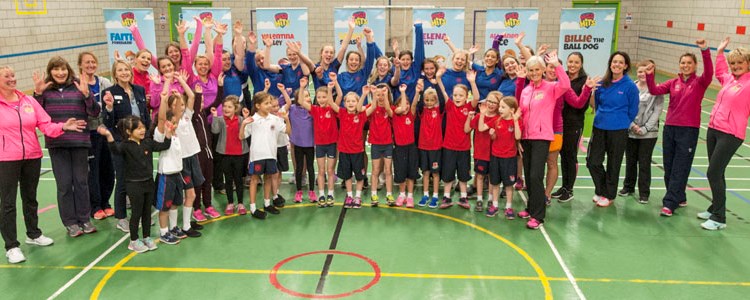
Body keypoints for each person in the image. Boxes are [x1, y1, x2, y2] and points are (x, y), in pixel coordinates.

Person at [0, 66, 85, 263]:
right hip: (6, 159)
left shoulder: (27, 101)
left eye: (13, 75)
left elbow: (45, 124)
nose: (12, 79)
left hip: (32, 155)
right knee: (7, 203)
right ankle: (11, 246)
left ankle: (33, 234)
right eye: (7, 77)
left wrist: (63, 126)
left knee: (30, 198)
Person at [33, 56, 100, 237]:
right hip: (57, 144)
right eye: (56, 69)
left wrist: (87, 95)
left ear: (68, 70)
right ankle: (70, 223)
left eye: (63, 69)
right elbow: (35, 116)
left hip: (79, 142)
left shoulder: (79, 86)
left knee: (81, 182)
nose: (60, 72)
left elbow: (95, 112)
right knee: (64, 185)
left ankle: (85, 219)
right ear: (50, 71)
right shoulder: (45, 90)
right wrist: (37, 94)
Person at [645, 39, 713, 214]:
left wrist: (705, 50)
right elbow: (654, 90)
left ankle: (670, 203)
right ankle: (679, 196)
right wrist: (649, 75)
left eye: (689, 63)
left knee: (680, 166)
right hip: (670, 129)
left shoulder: (700, 82)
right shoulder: (672, 82)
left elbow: (710, 71)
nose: (685, 65)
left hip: (688, 131)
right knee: (669, 165)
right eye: (683, 63)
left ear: (695, 65)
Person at [514, 50, 571, 229]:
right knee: (530, 177)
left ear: (543, 70)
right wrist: (519, 138)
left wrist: (558, 66)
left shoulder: (551, 88)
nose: (534, 73)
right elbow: (520, 112)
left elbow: (566, 85)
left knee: (535, 175)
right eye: (531, 70)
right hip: (526, 138)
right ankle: (531, 208)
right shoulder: (526, 90)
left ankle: (538, 216)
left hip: (542, 138)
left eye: (537, 70)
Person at [699, 37, 750, 230]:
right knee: (717, 173)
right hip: (714, 129)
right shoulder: (729, 79)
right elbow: (720, 71)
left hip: (731, 134)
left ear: (748, 64)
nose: (736, 66)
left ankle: (719, 218)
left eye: (740, 63)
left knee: (713, 172)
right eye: (733, 63)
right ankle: (715, 208)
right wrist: (720, 53)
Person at [101, 114, 171, 253]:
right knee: (136, 213)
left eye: (143, 127)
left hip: (148, 183)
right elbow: (114, 150)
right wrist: (109, 135)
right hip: (134, 185)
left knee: (147, 213)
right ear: (128, 131)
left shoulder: (147, 142)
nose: (142, 130)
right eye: (138, 128)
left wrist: (168, 133)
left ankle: (146, 237)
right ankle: (133, 241)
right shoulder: (125, 146)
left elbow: (164, 145)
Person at [103, 59, 151, 233]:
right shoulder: (109, 92)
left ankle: (142, 215)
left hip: (140, 143)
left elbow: (145, 115)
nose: (124, 73)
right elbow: (108, 121)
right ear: (115, 74)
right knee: (123, 180)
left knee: (142, 179)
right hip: (122, 144)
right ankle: (122, 218)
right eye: (120, 70)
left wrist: (148, 135)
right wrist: (108, 108)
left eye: (127, 70)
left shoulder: (139, 90)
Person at [587, 51, 639, 208]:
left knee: (613, 163)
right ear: (610, 64)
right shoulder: (603, 84)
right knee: (593, 162)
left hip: (618, 130)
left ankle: (609, 195)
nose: (616, 64)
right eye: (614, 61)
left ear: (625, 66)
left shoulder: (630, 86)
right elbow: (594, 105)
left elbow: (633, 110)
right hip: (599, 127)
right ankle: (601, 189)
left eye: (620, 62)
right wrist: (591, 91)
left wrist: (621, 122)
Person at [77, 52, 115, 220]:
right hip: (89, 134)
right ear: (80, 65)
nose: (90, 65)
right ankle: (96, 206)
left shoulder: (104, 82)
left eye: (93, 62)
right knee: (93, 171)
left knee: (108, 169)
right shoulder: (77, 84)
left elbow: (109, 103)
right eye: (87, 62)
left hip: (105, 132)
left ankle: (106, 203)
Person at [240, 92, 290, 218]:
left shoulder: (275, 119)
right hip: (257, 156)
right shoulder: (253, 119)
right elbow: (241, 136)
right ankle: (253, 208)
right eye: (266, 103)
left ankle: (267, 203)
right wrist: (243, 124)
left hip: (271, 155)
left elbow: (287, 131)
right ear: (257, 105)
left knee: (268, 178)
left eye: (270, 103)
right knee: (254, 180)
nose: (269, 106)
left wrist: (287, 119)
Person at [620, 61, 664, 204]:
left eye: (645, 72)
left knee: (644, 163)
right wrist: (632, 125)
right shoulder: (631, 87)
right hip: (631, 130)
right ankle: (628, 187)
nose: (642, 74)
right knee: (630, 160)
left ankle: (644, 193)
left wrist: (645, 128)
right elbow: (625, 108)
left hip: (648, 133)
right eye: (639, 71)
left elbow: (657, 111)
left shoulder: (656, 89)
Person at [436, 68, 480, 209]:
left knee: (463, 175)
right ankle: (447, 197)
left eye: (461, 95)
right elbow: (442, 91)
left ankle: (463, 197)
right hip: (449, 147)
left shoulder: (469, 106)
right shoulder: (449, 106)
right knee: (448, 174)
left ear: (466, 96)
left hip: (464, 148)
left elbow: (477, 98)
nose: (457, 97)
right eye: (455, 95)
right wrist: (438, 79)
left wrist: (472, 82)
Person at [300, 76, 343, 207]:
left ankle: (330, 193)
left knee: (330, 170)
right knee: (321, 170)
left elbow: (340, 95)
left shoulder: (333, 109)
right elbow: (301, 101)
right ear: (316, 99)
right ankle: (321, 194)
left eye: (324, 97)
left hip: (331, 144)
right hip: (320, 145)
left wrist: (334, 84)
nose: (322, 100)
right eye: (319, 97)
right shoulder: (315, 109)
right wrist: (302, 87)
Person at [552, 52, 589, 202]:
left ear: (581, 64)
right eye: (570, 62)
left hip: (574, 123)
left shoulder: (584, 81)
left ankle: (570, 189)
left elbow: (582, 105)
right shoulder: (562, 76)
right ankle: (564, 186)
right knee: (563, 156)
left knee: (571, 156)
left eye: (576, 62)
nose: (572, 65)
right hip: (561, 123)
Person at [481, 96, 522, 219]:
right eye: (500, 106)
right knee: (495, 183)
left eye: (503, 107)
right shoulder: (497, 120)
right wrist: (491, 134)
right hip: (496, 157)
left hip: (509, 158)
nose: (500, 109)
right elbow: (482, 128)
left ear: (512, 110)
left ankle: (509, 207)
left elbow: (518, 137)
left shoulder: (517, 121)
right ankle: (494, 205)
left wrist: (515, 120)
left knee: (509, 185)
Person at [335, 88, 374, 209]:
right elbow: (331, 103)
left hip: (357, 152)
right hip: (344, 151)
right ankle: (350, 195)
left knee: (359, 176)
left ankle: (358, 197)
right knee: (347, 176)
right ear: (344, 103)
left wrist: (366, 94)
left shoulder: (361, 116)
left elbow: (372, 107)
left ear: (358, 103)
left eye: (354, 101)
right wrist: (333, 86)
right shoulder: (341, 113)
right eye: (348, 101)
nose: (351, 103)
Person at [211, 96, 249, 215]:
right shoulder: (221, 120)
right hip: (225, 154)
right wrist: (215, 117)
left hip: (239, 154)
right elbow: (215, 131)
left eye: (229, 107)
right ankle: (230, 203)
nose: (226, 109)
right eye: (225, 106)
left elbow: (248, 133)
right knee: (228, 180)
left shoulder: (241, 120)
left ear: (236, 108)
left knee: (238, 179)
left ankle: (241, 203)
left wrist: (247, 119)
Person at [465, 93, 501, 212]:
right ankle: (479, 199)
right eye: (489, 101)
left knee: (492, 177)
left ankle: (490, 199)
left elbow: (481, 128)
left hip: (493, 153)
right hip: (480, 152)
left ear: (499, 104)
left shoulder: (497, 118)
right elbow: (467, 129)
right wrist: (469, 117)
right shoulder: (480, 115)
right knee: (479, 176)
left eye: (494, 102)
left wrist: (481, 115)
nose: (490, 104)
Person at [415, 86, 445, 208]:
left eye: (431, 100)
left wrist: (436, 84)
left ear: (435, 100)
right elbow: (419, 104)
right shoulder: (422, 111)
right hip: (423, 146)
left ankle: (436, 196)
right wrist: (421, 91)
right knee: (426, 172)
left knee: (436, 173)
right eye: (426, 100)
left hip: (436, 147)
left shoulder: (439, 111)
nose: (429, 102)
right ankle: (426, 194)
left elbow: (442, 100)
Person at [392, 83, 421, 208]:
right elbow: (402, 107)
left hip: (411, 148)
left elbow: (413, 104)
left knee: (411, 173)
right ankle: (402, 194)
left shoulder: (411, 115)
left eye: (407, 104)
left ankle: (410, 196)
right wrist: (403, 92)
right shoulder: (395, 115)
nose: (406, 107)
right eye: (403, 104)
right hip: (399, 149)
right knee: (401, 173)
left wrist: (417, 92)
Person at [288, 77, 316, 203]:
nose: (306, 98)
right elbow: (285, 102)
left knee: (310, 167)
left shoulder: (312, 110)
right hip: (298, 144)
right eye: (303, 96)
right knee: (299, 168)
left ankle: (311, 191)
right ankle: (298, 191)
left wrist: (304, 89)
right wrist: (302, 88)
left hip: (310, 144)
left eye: (307, 96)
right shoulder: (293, 109)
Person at [367, 84, 395, 207]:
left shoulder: (390, 108)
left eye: (383, 95)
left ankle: (389, 194)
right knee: (375, 170)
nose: (381, 97)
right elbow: (370, 108)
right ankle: (374, 194)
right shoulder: (372, 108)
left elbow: (390, 112)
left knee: (388, 170)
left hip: (388, 144)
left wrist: (385, 95)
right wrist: (374, 95)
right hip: (376, 145)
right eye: (378, 95)